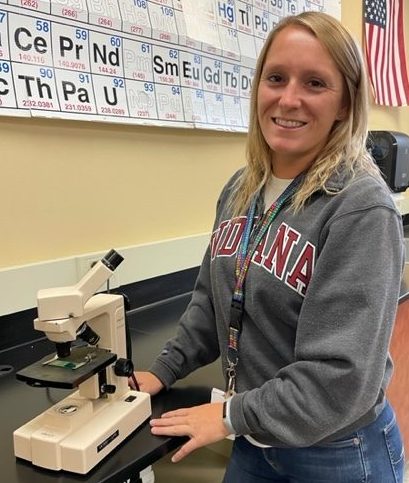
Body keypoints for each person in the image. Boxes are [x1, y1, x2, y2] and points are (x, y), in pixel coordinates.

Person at [131, 11, 406, 483]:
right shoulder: (241, 189)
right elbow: (209, 303)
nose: (289, 98)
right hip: (257, 444)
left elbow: (340, 375)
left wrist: (227, 417)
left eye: (315, 83)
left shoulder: (361, 207)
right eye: (276, 78)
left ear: (345, 104)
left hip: (336, 453)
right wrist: (162, 371)